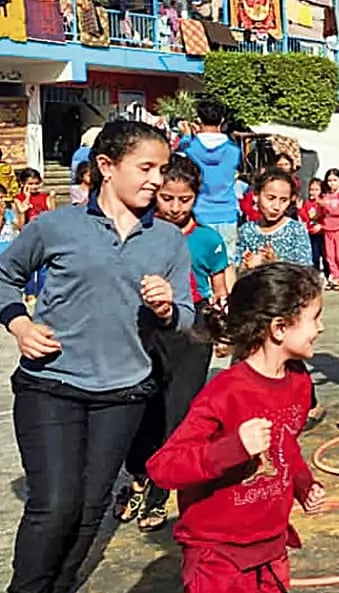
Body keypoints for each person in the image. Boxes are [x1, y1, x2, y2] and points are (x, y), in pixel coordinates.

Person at [0, 121, 194, 593]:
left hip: (125, 391)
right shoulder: (55, 226)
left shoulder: (167, 240)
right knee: (54, 502)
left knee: (89, 506)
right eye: (146, 168)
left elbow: (184, 316)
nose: (157, 181)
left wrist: (165, 309)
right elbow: (4, 275)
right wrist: (17, 323)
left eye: (162, 170)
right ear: (107, 167)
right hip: (51, 383)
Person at [147, 262, 327, 593]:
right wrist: (231, 449)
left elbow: (286, 445)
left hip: (271, 550)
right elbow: (163, 468)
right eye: (314, 318)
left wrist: (302, 484)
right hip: (219, 558)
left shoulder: (298, 381)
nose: (320, 328)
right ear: (279, 328)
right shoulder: (225, 393)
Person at [114, 153, 230, 533]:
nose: (176, 207)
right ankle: (137, 478)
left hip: (193, 329)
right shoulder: (137, 233)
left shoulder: (208, 239)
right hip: (145, 325)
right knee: (142, 405)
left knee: (179, 411)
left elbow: (218, 292)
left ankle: (162, 488)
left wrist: (223, 330)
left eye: (185, 199)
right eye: (167, 198)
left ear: (196, 197)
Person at [177, 100, 242, 259]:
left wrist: (186, 136)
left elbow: (179, 153)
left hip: (199, 214)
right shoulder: (234, 151)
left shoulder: (190, 149)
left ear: (199, 121)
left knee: (200, 264)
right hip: (227, 213)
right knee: (227, 264)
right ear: (222, 121)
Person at [236, 170, 312, 272]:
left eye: (284, 200)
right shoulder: (246, 231)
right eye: (270, 198)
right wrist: (246, 265)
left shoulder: (296, 230)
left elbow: (305, 273)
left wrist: (273, 263)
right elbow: (234, 270)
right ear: (256, 196)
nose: (277, 206)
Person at [299, 179, 327, 277]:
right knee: (314, 255)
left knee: (325, 255)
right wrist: (300, 209)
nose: (313, 192)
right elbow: (305, 217)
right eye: (311, 190)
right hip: (312, 233)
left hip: (322, 233)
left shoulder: (323, 203)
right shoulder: (308, 203)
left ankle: (328, 274)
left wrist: (322, 226)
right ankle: (315, 274)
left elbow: (326, 216)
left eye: (316, 190)